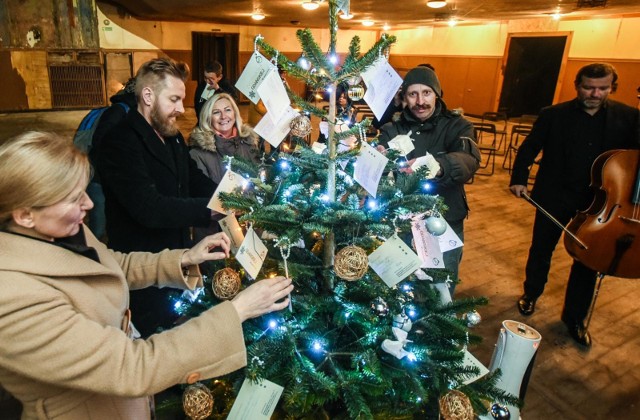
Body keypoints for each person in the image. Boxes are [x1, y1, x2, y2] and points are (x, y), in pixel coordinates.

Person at [0, 131, 294, 419]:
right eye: (74, 198)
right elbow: (132, 367)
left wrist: (184, 258)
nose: (88, 205)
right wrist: (237, 311)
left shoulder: (55, 229)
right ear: (24, 214)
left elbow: (108, 266)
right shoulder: (12, 300)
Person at [510, 63, 640, 348]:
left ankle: (575, 318)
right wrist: (519, 178)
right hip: (554, 194)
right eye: (588, 87)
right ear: (576, 85)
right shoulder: (552, 115)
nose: (595, 93)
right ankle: (531, 293)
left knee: (588, 260)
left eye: (602, 88)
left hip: (600, 202)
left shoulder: (629, 117)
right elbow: (530, 147)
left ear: (612, 88)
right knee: (541, 248)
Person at [95, 57, 219, 337]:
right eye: (174, 99)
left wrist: (225, 197)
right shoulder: (120, 140)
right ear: (148, 96)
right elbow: (148, 207)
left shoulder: (173, 136)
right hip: (143, 268)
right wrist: (210, 209)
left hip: (179, 256)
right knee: (154, 342)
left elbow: (191, 177)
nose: (180, 109)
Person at [377, 66, 480, 292]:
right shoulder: (392, 129)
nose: (420, 101)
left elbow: (469, 159)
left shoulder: (458, 125)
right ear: (404, 97)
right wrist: (378, 160)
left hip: (443, 222)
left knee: (440, 286)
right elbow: (380, 166)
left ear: (437, 94)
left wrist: (438, 166)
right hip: (400, 222)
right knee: (398, 285)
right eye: (413, 94)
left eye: (426, 93)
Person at [86, 78, 137, 240]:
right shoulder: (119, 111)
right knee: (99, 228)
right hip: (100, 179)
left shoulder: (129, 111)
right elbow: (100, 141)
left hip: (109, 178)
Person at [190, 93, 260, 185]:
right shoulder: (197, 153)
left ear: (235, 114)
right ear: (208, 118)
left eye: (227, 110)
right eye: (216, 112)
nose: (223, 116)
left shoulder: (249, 142)